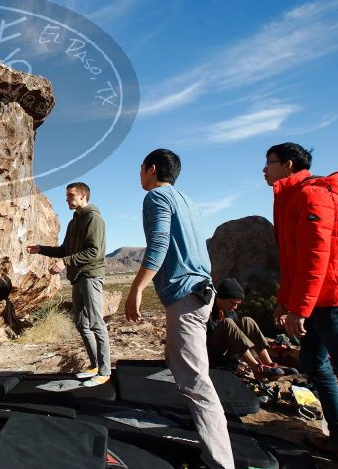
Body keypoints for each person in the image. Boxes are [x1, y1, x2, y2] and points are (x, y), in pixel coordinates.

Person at [125, 149, 234, 469]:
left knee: (195, 382)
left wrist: (137, 288)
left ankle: (220, 462)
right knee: (178, 362)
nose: (140, 174)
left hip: (186, 295)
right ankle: (210, 442)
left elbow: (159, 243)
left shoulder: (156, 197)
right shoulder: (187, 200)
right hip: (202, 291)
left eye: (141, 168)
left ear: (152, 169)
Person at [263, 142, 338, 461]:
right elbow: (292, 259)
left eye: (270, 162)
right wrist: (284, 301)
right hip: (317, 297)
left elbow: (315, 257)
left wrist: (299, 309)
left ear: (289, 165)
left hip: (330, 296)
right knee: (314, 363)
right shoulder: (291, 196)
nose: (264, 169)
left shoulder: (312, 194)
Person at [26, 182, 110, 387]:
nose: (67, 200)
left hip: (90, 275)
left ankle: (105, 371)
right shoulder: (74, 222)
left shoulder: (93, 218)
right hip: (78, 277)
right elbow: (65, 249)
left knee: (96, 323)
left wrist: (65, 261)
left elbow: (94, 252)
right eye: (67, 196)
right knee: (81, 323)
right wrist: (41, 249)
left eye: (71, 196)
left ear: (83, 196)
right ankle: (94, 366)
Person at [207, 278, 296, 380]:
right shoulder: (207, 310)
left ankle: (269, 364)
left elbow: (237, 337)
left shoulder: (230, 312)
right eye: (232, 303)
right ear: (220, 297)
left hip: (228, 352)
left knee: (247, 320)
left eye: (237, 304)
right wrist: (233, 365)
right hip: (212, 354)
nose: (235, 307)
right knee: (227, 323)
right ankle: (256, 368)